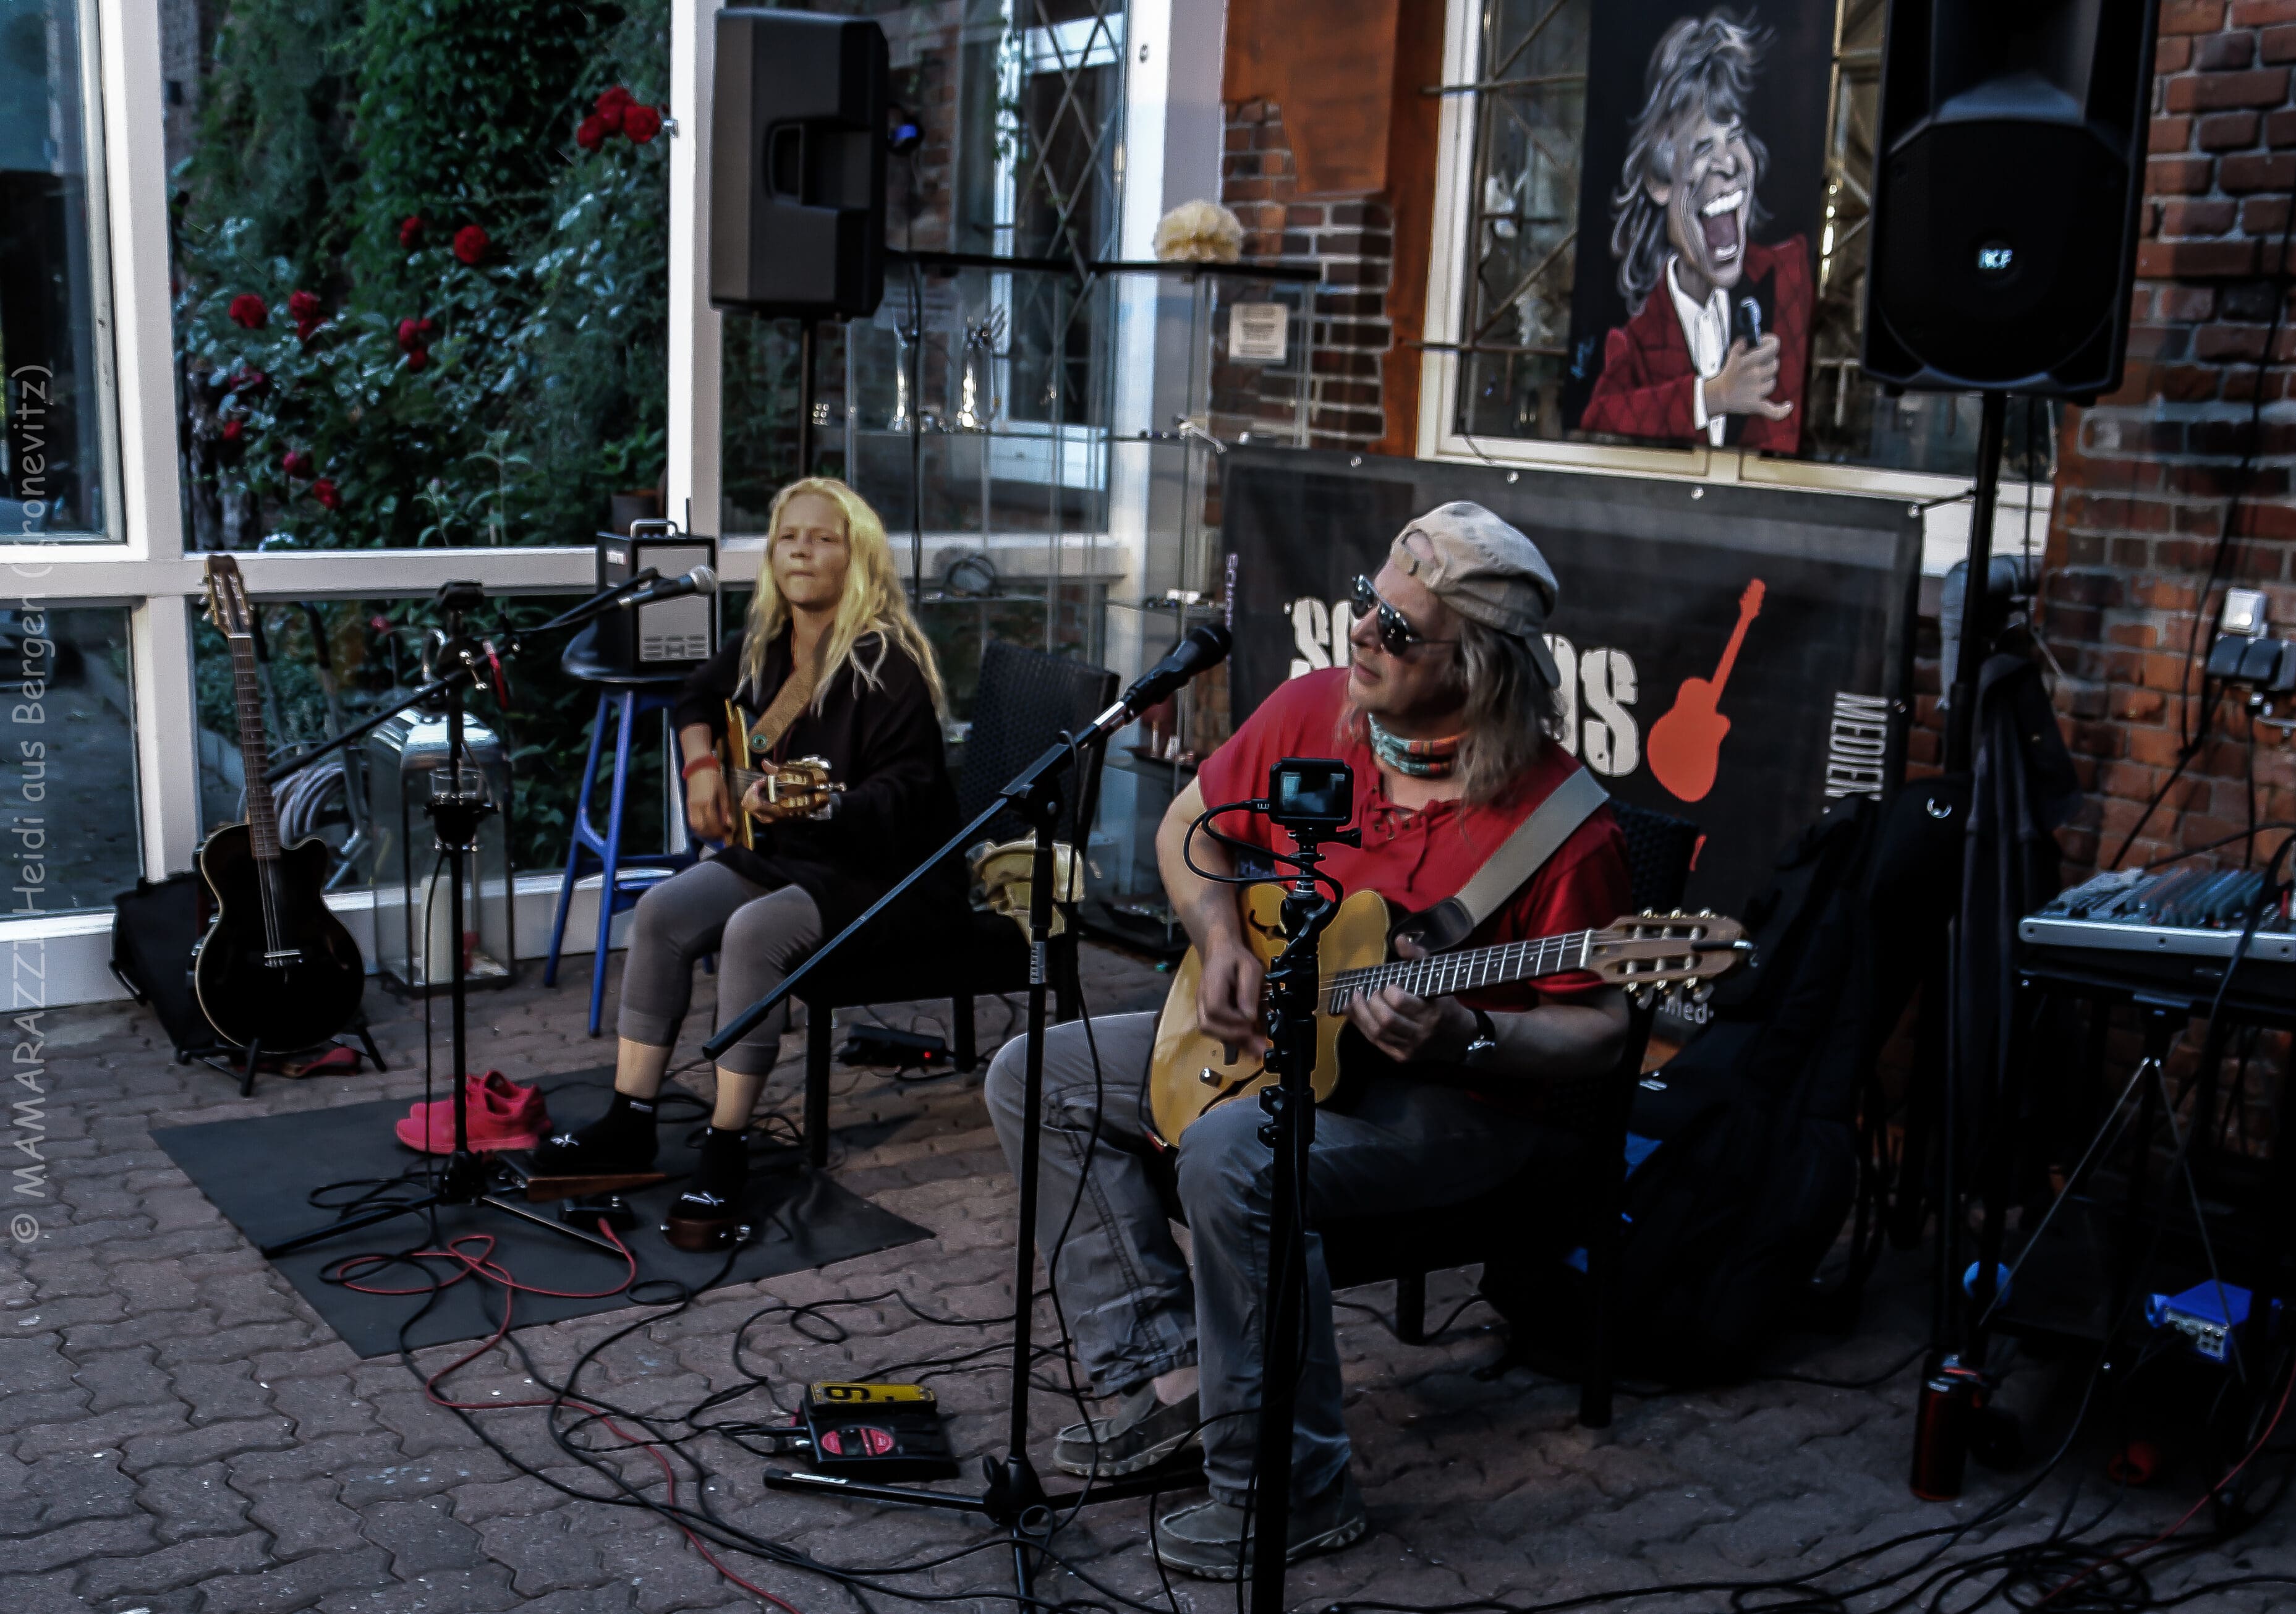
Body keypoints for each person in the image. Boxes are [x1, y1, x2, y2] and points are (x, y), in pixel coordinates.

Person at [985, 503, 1634, 1578]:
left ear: (1478, 671)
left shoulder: (1560, 826)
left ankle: (1295, 1484)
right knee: (1037, 1076)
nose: (1364, 635)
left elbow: (1603, 1032)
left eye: (1400, 631)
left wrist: (1468, 1034)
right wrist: (1220, 933)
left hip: (1467, 1108)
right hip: (1290, 1037)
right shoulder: (1315, 709)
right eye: (1368, 604)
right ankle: (1178, 1383)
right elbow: (1189, 820)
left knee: (1235, 1152)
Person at [535, 477, 960, 1249]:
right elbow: (694, 698)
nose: (802, 547)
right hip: (792, 857)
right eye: (790, 535)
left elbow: (907, 799)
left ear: (856, 556)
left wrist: (818, 804)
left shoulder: (885, 663)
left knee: (752, 934)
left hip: (883, 875)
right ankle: (631, 1118)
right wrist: (703, 769)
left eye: (824, 537)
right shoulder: (766, 643)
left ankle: (728, 1147)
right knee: (663, 911)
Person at [1579, 10, 1808, 453]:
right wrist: (1714, 396)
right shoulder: (1634, 339)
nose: (1727, 163)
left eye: (1734, 137)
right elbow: (1596, 415)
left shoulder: (1790, 276)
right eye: (1703, 146)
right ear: (1660, 181)